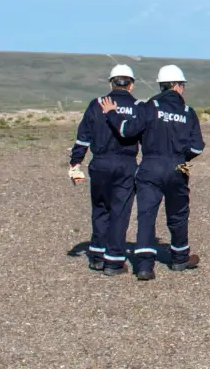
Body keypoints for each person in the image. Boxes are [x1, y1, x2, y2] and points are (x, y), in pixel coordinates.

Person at [100, 64, 204, 280]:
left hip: (149, 167)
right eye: (182, 85)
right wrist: (183, 158)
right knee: (178, 214)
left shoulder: (150, 107)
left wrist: (111, 114)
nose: (183, 89)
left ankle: (145, 266)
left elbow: (127, 130)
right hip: (177, 168)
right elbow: (197, 147)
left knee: (146, 215)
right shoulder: (188, 112)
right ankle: (179, 258)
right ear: (176, 86)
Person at [69, 65, 141, 275]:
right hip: (126, 164)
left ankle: (97, 256)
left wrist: (75, 163)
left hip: (99, 164)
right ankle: (114, 260)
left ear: (111, 83)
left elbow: (83, 137)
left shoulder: (96, 104)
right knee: (120, 211)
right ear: (131, 84)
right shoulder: (138, 106)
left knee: (100, 209)